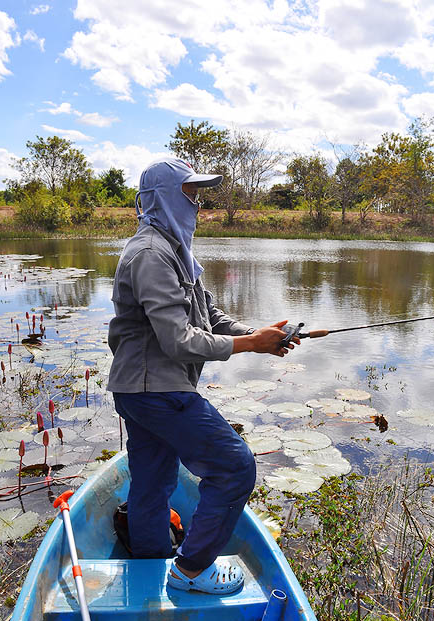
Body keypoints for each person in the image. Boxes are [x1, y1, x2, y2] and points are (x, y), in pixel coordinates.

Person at [107, 157, 299, 595]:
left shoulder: (174, 250)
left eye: (198, 195)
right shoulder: (152, 254)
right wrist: (250, 345)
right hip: (156, 389)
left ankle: (151, 566)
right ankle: (190, 569)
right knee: (234, 467)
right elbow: (177, 340)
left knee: (154, 481)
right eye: (189, 194)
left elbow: (209, 318)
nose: (196, 205)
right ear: (160, 199)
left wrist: (262, 335)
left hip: (141, 391)